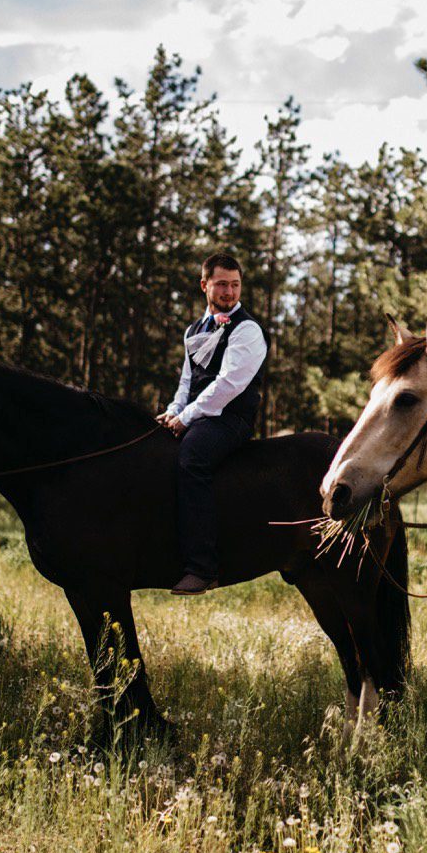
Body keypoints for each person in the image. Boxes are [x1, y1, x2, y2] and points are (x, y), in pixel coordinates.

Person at [156, 252, 268, 596]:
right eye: (222, 284)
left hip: (230, 419)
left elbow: (228, 385)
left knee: (192, 458)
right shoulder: (194, 329)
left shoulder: (247, 329)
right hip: (200, 413)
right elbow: (187, 381)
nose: (230, 292)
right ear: (205, 285)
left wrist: (186, 418)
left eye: (235, 285)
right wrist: (173, 411)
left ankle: (202, 567)